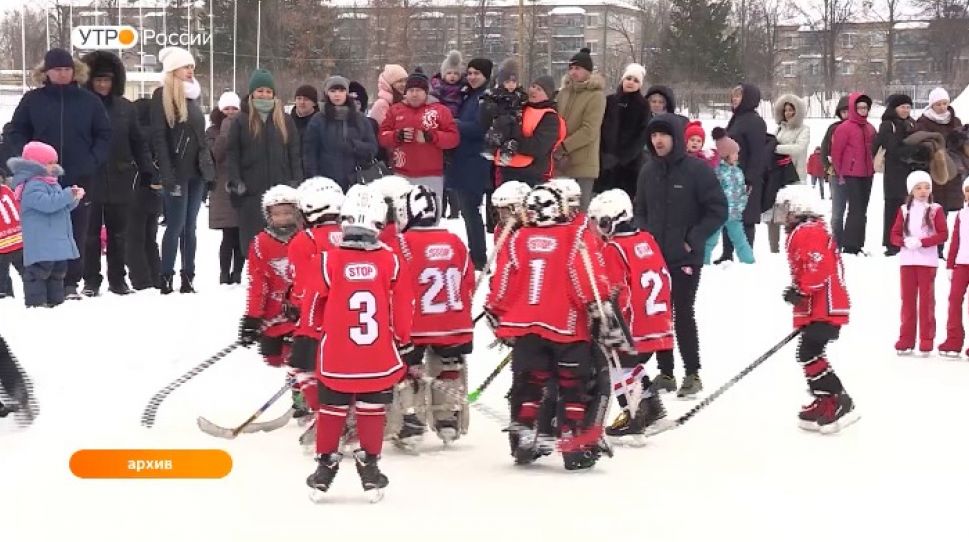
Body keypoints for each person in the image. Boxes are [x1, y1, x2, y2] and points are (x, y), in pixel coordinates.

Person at [289, 183, 414, 501]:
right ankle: (370, 465)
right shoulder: (391, 261)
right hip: (378, 356)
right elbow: (403, 303)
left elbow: (313, 304)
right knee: (372, 409)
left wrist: (312, 333)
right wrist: (403, 337)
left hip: (336, 356)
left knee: (332, 408)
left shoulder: (328, 260)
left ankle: (325, 465)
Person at [485, 184, 613, 470]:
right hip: (566, 326)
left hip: (526, 328)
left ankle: (525, 432)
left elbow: (503, 280)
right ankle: (572, 440)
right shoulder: (573, 236)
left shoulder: (518, 239)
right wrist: (598, 306)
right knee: (573, 385)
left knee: (528, 383)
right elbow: (583, 277)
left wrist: (496, 309)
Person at [6, 48, 112, 300]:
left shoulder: (89, 101)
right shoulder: (33, 100)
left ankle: (70, 282)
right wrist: (26, 159)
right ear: (47, 72)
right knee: (42, 229)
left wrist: (92, 161)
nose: (62, 74)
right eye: (57, 69)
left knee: (77, 230)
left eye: (67, 69)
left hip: (79, 175)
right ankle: (44, 281)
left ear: (74, 71)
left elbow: (104, 134)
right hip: (40, 180)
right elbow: (15, 131)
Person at [633, 114, 727, 397]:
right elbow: (640, 208)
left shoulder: (697, 171)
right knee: (660, 314)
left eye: (663, 135)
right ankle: (666, 372)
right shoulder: (648, 171)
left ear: (676, 138)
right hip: (654, 258)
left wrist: (693, 238)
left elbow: (718, 209)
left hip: (685, 257)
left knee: (683, 312)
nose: (657, 140)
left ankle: (692, 372)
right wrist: (643, 235)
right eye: (653, 136)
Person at [389, 184, 474, 449]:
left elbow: (392, 283)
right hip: (453, 322)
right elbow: (467, 280)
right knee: (448, 367)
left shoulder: (399, 244)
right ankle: (447, 418)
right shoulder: (454, 241)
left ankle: (410, 422)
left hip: (414, 323)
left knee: (408, 370)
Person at [587, 189, 671, 442]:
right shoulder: (645, 239)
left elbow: (617, 292)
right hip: (657, 319)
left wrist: (605, 320)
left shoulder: (614, 249)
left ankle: (636, 413)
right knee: (626, 366)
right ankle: (651, 409)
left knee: (616, 365)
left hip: (633, 322)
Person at [775, 184, 857, 434]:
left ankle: (839, 400)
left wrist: (801, 291)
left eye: (786, 209)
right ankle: (825, 399)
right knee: (809, 351)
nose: (783, 216)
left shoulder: (808, 231)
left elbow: (817, 266)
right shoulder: (806, 230)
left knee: (809, 352)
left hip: (825, 305)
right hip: (817, 305)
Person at [80, 50, 155, 297]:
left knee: (119, 233)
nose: (103, 84)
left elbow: (138, 142)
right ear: (89, 80)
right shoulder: (83, 106)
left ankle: (118, 279)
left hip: (121, 176)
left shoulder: (126, 108)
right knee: (90, 234)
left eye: (107, 79)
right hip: (90, 178)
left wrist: (147, 170)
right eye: (98, 79)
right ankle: (91, 279)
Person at [150, 46, 215, 294]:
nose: (190, 71)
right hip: (176, 172)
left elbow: (200, 138)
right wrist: (166, 172)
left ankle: (188, 276)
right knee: (175, 225)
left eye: (191, 67)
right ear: (173, 69)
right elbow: (159, 137)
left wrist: (209, 169)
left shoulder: (193, 97)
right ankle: (166, 275)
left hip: (196, 172)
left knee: (191, 226)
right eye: (186, 66)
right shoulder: (163, 95)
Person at [226, 68, 303, 256]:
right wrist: (236, 182)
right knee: (254, 245)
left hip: (280, 193)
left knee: (283, 243)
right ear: (252, 92)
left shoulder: (284, 120)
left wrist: (296, 181)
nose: (264, 95)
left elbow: (294, 153)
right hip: (251, 193)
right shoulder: (240, 121)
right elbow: (232, 154)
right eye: (260, 90)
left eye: (268, 91)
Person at [9, 142, 83, 308]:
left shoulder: (51, 183)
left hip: (53, 241)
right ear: (37, 164)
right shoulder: (32, 185)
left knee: (57, 272)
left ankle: (55, 303)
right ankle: (37, 305)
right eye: (50, 163)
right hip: (41, 241)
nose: (54, 166)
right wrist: (66, 195)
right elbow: (48, 204)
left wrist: (73, 198)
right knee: (38, 273)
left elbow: (60, 207)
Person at [377, 70, 459, 209]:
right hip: (402, 174)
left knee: (430, 215)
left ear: (426, 92)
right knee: (402, 216)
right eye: (411, 90)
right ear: (406, 92)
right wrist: (397, 136)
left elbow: (453, 138)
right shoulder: (395, 110)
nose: (414, 94)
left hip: (431, 174)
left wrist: (432, 136)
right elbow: (382, 137)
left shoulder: (440, 110)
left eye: (419, 90)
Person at [888, 171, 948, 355]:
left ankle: (926, 339)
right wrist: (904, 242)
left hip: (927, 262)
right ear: (911, 190)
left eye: (927, 187)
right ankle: (906, 338)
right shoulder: (904, 210)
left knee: (927, 302)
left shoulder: (935, 209)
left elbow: (943, 234)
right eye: (919, 187)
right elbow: (894, 234)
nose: (923, 191)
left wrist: (923, 242)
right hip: (908, 262)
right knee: (907, 301)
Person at [445, 58, 493, 270]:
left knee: (472, 212)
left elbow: (480, 128)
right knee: (468, 212)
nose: (472, 77)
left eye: (477, 74)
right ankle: (476, 255)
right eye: (470, 72)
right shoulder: (468, 95)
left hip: (475, 161)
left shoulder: (485, 98)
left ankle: (479, 258)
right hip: (463, 160)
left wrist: (456, 125)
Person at [717, 83, 766, 263]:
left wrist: (750, 178)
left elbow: (757, 152)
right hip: (731, 176)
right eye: (733, 96)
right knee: (728, 214)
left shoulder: (754, 121)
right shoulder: (737, 118)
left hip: (746, 177)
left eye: (739, 96)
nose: (735, 99)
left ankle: (746, 255)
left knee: (747, 217)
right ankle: (727, 254)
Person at [303, 76, 378, 190]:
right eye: (333, 91)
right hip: (327, 183)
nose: (337, 95)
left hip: (356, 182)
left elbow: (372, 148)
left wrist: (355, 146)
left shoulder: (360, 119)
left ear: (347, 93)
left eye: (341, 90)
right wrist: (315, 180)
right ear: (327, 93)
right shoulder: (318, 119)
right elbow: (310, 154)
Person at [554, 48, 606, 211]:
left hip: (583, 163)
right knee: (561, 212)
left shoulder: (596, 96)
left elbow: (589, 130)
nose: (573, 72)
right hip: (560, 163)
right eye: (571, 68)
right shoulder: (563, 93)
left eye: (578, 68)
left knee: (580, 215)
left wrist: (563, 146)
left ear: (587, 71)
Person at [915, 87, 964, 258]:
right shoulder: (923, 122)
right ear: (932, 105)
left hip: (952, 172)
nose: (943, 107)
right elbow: (919, 144)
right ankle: (933, 246)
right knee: (933, 211)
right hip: (933, 172)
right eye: (938, 104)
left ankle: (942, 247)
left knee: (946, 212)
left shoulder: (955, 121)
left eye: (945, 103)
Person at [493, 75, 565, 187]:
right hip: (507, 168)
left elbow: (539, 147)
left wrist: (515, 140)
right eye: (533, 86)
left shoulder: (549, 117)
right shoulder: (518, 107)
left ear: (548, 95)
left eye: (539, 89)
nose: (533, 90)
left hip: (532, 174)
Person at [831, 92, 877, 255]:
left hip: (867, 173)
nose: (863, 111)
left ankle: (858, 242)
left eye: (865, 108)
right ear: (853, 108)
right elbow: (836, 153)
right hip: (851, 173)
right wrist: (840, 174)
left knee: (863, 208)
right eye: (859, 108)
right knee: (855, 208)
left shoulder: (870, 128)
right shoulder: (844, 128)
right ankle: (850, 245)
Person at [596, 63, 650, 198]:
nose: (631, 82)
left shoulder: (643, 105)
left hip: (629, 165)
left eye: (635, 80)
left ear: (640, 85)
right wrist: (603, 154)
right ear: (622, 80)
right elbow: (599, 127)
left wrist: (623, 158)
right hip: (605, 162)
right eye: (629, 78)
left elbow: (642, 135)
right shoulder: (609, 101)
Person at [206, 92, 243, 284]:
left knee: (240, 235)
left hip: (241, 186)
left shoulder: (245, 128)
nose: (230, 112)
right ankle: (223, 273)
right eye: (226, 109)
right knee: (228, 234)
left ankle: (237, 272)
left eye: (234, 109)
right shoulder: (213, 132)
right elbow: (214, 156)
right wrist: (225, 133)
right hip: (222, 188)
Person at [126, 98, 162, 291]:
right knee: (150, 238)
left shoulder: (136, 134)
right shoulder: (157, 133)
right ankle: (156, 275)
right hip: (155, 192)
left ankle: (141, 279)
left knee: (134, 238)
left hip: (136, 188)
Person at [876, 94, 919, 257]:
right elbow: (892, 147)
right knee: (893, 208)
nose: (905, 110)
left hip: (910, 172)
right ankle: (891, 243)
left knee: (909, 207)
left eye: (908, 107)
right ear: (894, 108)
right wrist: (912, 151)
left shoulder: (911, 123)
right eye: (902, 107)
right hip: (894, 173)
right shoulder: (888, 124)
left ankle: (906, 239)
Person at [705, 128, 754, 264]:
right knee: (710, 241)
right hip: (719, 214)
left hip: (734, 214)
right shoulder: (716, 171)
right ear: (726, 155)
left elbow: (740, 191)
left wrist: (744, 198)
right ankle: (703, 264)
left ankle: (749, 263)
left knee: (740, 240)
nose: (737, 156)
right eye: (734, 153)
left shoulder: (738, 171)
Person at [768, 94, 810, 254]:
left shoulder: (804, 129)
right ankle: (774, 250)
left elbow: (799, 148)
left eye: (791, 110)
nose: (788, 113)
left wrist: (776, 148)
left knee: (791, 215)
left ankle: (792, 248)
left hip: (795, 177)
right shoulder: (779, 128)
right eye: (785, 110)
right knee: (774, 214)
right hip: (778, 176)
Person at [940, 176, 969, 357]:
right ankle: (953, 340)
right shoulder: (961, 214)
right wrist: (950, 264)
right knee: (954, 301)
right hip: (961, 264)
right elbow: (956, 240)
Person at [480, 58, 527, 165]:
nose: (511, 85)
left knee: (515, 134)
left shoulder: (520, 95)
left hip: (515, 121)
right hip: (500, 122)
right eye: (507, 82)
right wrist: (492, 109)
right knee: (500, 126)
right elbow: (486, 102)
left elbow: (524, 103)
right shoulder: (497, 94)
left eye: (514, 82)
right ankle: (491, 147)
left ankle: (507, 152)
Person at [821, 96, 850, 247]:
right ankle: (837, 241)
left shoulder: (861, 127)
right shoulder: (834, 128)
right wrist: (827, 168)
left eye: (849, 111)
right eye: (844, 111)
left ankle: (851, 241)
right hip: (836, 175)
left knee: (854, 212)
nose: (847, 114)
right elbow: (825, 149)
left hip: (855, 175)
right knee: (838, 212)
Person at [0, 177, 23, 298]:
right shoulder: (6, 189)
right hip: (19, 238)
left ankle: (5, 296)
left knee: (1, 277)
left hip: (2, 245)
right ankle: (38, 295)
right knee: (28, 273)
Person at [430, 50, 465, 116]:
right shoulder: (438, 85)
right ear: (443, 75)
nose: (452, 76)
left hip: (457, 114)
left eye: (456, 73)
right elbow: (433, 97)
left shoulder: (462, 86)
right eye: (449, 73)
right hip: (442, 113)